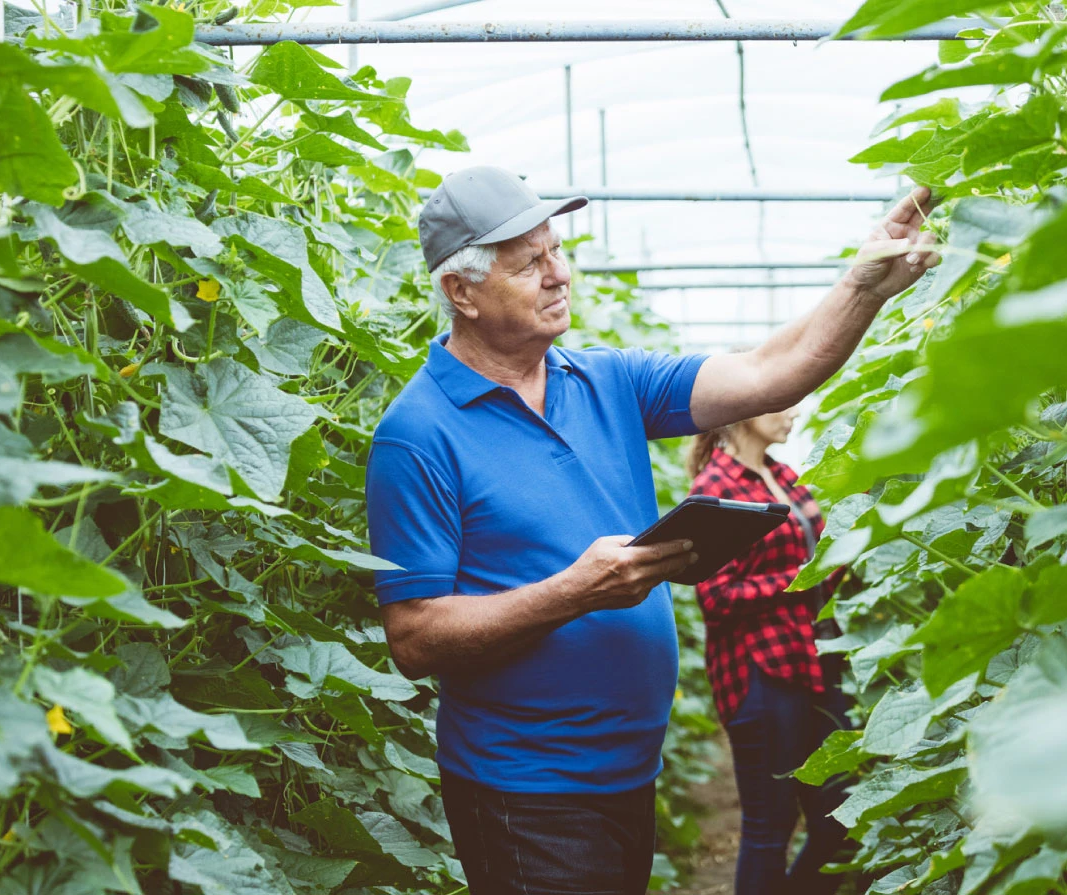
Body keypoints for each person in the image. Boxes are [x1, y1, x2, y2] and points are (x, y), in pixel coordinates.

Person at [365, 164, 937, 895]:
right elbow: (413, 637)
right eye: (529, 263)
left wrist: (863, 286)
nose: (557, 274)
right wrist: (573, 591)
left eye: (557, 251)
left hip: (630, 773)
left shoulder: (607, 381)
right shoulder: (417, 435)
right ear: (460, 292)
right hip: (524, 789)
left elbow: (774, 371)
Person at [687, 408, 852, 895]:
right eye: (781, 401)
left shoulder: (784, 475)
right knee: (769, 827)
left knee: (837, 823)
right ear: (744, 409)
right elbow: (715, 599)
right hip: (759, 673)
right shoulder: (713, 489)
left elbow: (818, 558)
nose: (795, 411)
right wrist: (799, 580)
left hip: (814, 662)